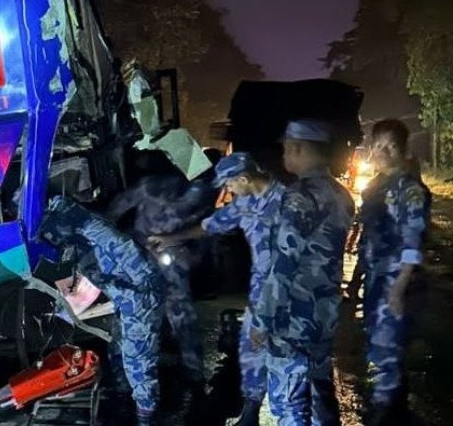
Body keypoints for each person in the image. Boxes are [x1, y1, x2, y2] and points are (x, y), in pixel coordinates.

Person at [150, 152, 286, 426]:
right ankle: (250, 413)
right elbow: (212, 225)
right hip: (261, 289)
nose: (228, 190)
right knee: (251, 349)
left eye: (230, 184)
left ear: (244, 178)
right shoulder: (245, 201)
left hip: (287, 291)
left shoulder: (288, 203)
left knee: (286, 357)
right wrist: (170, 239)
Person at [250, 120, 354, 426]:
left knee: (290, 403)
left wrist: (262, 319)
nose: (284, 155)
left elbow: (284, 264)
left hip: (293, 316)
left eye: (286, 149)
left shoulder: (300, 197)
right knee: (320, 393)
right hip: (324, 312)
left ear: (298, 148)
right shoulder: (341, 194)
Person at [41, 195, 164, 426]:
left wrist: (75, 214)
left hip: (140, 295)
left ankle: (146, 417)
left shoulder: (94, 229)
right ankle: (123, 403)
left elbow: (128, 253)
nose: (52, 239)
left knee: (137, 362)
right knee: (117, 350)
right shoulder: (73, 241)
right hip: (124, 297)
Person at [347, 119, 431, 425]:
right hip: (377, 279)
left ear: (403, 149)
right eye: (378, 145)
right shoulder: (376, 185)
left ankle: (384, 413)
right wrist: (358, 274)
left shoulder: (410, 190)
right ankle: (395, 409)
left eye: (391, 146)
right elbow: (368, 230)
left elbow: (413, 242)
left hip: (396, 282)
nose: (383, 152)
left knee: (386, 351)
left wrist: (398, 289)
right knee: (382, 345)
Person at [108, 162, 216, 389]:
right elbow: (114, 212)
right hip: (142, 252)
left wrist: (196, 253)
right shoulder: (152, 187)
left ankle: (192, 374)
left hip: (169, 255)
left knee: (177, 314)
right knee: (135, 313)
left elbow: (207, 228)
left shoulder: (203, 194)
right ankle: (124, 376)